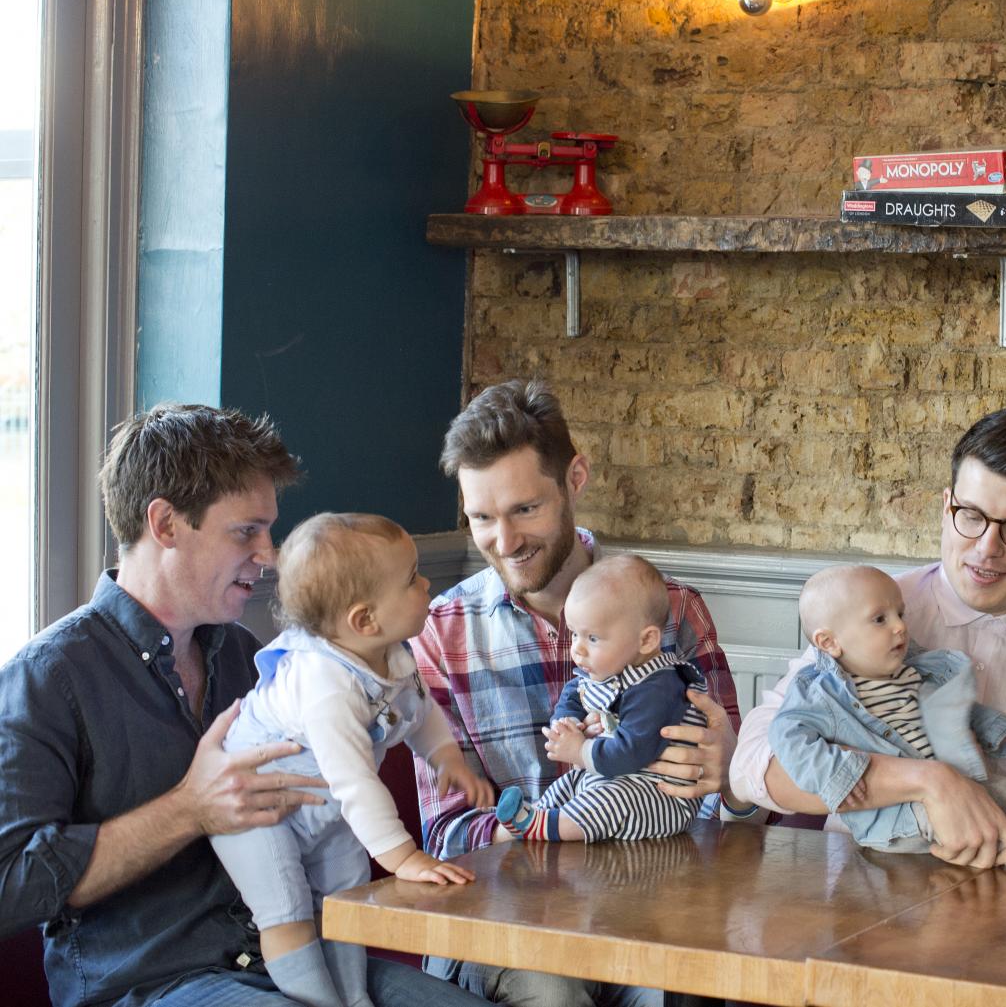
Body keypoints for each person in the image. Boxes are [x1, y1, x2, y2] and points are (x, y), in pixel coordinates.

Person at [0, 403, 492, 1007]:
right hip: (151, 985)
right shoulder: (47, 678)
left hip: (289, 954)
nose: (269, 554)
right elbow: (10, 887)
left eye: (268, 530)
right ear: (166, 523)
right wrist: (190, 809)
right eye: (245, 532)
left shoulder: (248, 655)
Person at [412, 379, 743, 1007]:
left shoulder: (673, 612)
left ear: (576, 479)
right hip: (507, 923)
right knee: (553, 990)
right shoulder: (442, 634)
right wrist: (551, 829)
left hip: (655, 911)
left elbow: (727, 812)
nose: (504, 543)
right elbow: (449, 834)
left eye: (524, 510)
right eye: (482, 518)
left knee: (683, 986)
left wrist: (734, 779)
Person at [730, 406, 1006, 870]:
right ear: (946, 505)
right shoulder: (866, 609)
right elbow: (753, 767)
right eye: (971, 515)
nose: (986, 547)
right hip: (857, 895)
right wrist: (930, 781)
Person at [210, 513, 495, 1006]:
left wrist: (446, 756)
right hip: (257, 811)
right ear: (364, 619)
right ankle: (320, 1001)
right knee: (288, 912)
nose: (427, 583)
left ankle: (352, 996)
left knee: (345, 905)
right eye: (411, 579)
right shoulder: (325, 683)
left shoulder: (393, 654)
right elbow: (356, 780)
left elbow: (418, 710)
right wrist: (404, 858)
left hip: (325, 805)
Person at [769, 564, 1006, 871]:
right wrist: (840, 773)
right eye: (880, 619)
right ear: (829, 642)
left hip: (956, 779)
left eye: (900, 614)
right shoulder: (821, 692)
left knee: (1003, 788)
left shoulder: (914, 669)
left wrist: (988, 733)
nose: (899, 627)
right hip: (895, 815)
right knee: (950, 812)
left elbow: (959, 710)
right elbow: (786, 737)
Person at [495, 555, 706, 842]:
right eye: (575, 635)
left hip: (658, 796)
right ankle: (534, 816)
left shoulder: (659, 688)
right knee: (570, 783)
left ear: (646, 640)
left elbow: (633, 753)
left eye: (592, 638)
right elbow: (574, 694)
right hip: (615, 776)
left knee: (612, 798)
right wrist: (567, 724)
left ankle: (544, 827)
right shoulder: (604, 671)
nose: (578, 651)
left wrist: (580, 751)